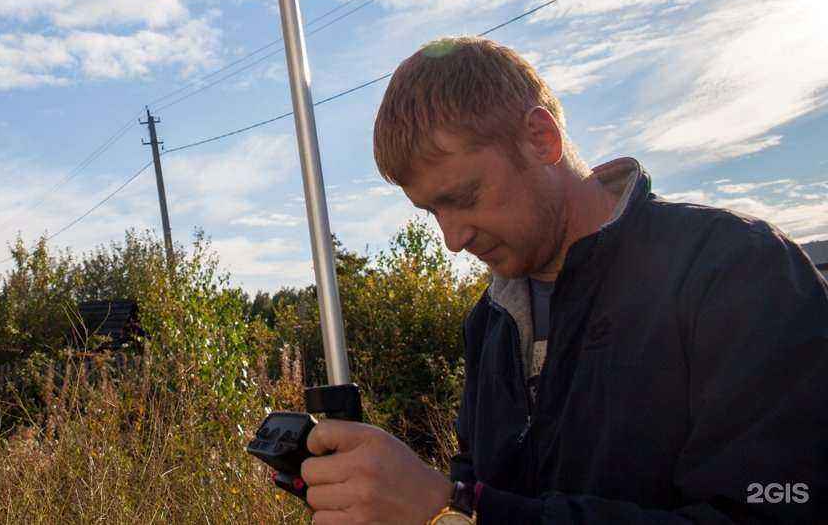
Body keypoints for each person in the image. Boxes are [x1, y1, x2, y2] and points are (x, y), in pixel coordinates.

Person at [300, 36, 828, 524]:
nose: (453, 238)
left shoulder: (737, 268)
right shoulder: (491, 321)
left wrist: (456, 510)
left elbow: (777, 507)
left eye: (463, 198)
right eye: (431, 212)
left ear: (541, 138)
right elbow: (477, 482)